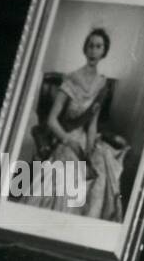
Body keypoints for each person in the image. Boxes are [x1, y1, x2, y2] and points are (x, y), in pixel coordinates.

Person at [28, 27, 130, 221]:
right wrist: (69, 141)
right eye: (90, 46)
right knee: (70, 171)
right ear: (85, 49)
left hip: (85, 138)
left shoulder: (102, 85)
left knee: (101, 170)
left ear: (103, 52)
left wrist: (90, 149)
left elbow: (92, 124)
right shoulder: (71, 79)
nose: (93, 50)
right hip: (65, 137)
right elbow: (51, 120)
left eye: (98, 47)